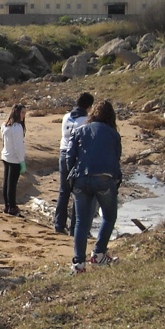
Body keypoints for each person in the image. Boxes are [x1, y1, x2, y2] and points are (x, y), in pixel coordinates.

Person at [66, 101, 122, 274]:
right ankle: (98, 253)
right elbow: (116, 157)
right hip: (104, 178)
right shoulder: (113, 134)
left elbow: (70, 156)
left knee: (82, 222)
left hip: (81, 178)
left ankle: (79, 263)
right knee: (109, 216)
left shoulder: (80, 130)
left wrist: (73, 172)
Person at [54, 92, 95, 234]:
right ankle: (75, 228)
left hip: (63, 152)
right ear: (89, 106)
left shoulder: (66, 117)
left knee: (63, 191)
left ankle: (59, 225)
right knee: (78, 192)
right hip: (77, 156)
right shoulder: (86, 121)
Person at [0, 104, 27, 216]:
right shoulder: (17, 128)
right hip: (14, 159)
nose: (24, 115)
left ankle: (7, 205)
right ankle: (12, 207)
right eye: (22, 113)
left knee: (7, 182)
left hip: (6, 156)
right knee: (11, 184)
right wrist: (22, 161)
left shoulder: (5, 125)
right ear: (16, 113)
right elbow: (18, 147)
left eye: (25, 113)